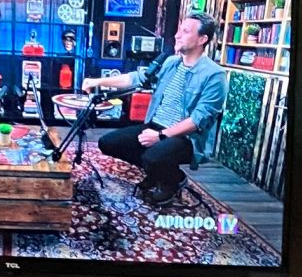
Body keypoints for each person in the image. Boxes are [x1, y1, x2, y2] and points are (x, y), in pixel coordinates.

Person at [89, 12, 225, 203]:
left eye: (185, 31)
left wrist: (161, 136)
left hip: (185, 138)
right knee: (108, 143)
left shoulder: (215, 75)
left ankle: (173, 180)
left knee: (152, 157)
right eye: (179, 30)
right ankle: (158, 173)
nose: (177, 35)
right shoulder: (170, 63)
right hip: (155, 125)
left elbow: (198, 120)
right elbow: (137, 78)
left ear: (202, 39)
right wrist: (97, 81)